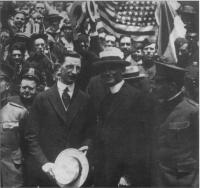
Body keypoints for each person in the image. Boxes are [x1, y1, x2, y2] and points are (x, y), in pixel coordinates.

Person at [24, 51, 95, 186]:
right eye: (69, 66)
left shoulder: (85, 99)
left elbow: (91, 132)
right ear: (58, 67)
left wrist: (86, 146)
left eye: (77, 68)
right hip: (50, 173)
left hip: (76, 173)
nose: (74, 72)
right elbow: (31, 137)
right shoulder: (42, 98)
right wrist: (44, 163)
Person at [90, 47, 149, 186]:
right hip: (105, 173)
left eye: (112, 68)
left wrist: (128, 176)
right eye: (103, 69)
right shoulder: (105, 100)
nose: (107, 72)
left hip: (124, 177)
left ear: (122, 70)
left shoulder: (137, 98)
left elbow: (141, 142)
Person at [152, 59, 199, 187]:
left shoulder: (193, 111)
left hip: (183, 180)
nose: (153, 86)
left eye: (158, 82)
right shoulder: (157, 108)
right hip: (159, 178)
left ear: (172, 86)